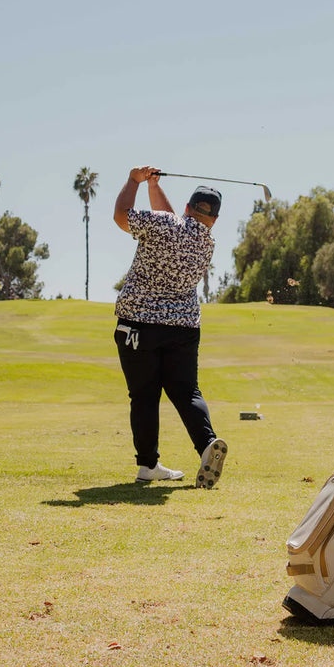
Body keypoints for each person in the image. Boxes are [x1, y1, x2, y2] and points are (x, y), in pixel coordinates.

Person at [112, 165, 227, 488]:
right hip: (183, 327)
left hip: (139, 324)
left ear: (188, 207)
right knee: (186, 391)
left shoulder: (165, 224)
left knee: (144, 396)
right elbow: (174, 221)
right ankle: (207, 443)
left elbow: (122, 216)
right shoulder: (206, 242)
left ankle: (148, 465)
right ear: (214, 219)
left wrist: (134, 181)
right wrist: (153, 186)